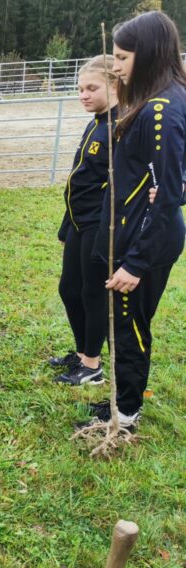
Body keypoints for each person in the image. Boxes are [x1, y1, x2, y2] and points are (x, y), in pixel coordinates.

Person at [79, 11, 186, 430]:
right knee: (125, 324)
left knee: (130, 328)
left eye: (123, 57)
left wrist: (136, 261)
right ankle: (123, 402)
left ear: (150, 55)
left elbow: (167, 197)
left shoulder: (161, 108)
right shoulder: (164, 96)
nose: (117, 65)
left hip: (142, 237)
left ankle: (125, 415)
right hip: (134, 229)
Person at [49, 57, 117, 386]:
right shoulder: (95, 123)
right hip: (79, 222)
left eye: (92, 88)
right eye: (80, 88)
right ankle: (81, 353)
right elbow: (81, 179)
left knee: (92, 293)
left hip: (99, 226)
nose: (83, 95)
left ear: (115, 86)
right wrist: (66, 224)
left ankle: (92, 366)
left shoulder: (121, 128)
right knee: (68, 289)